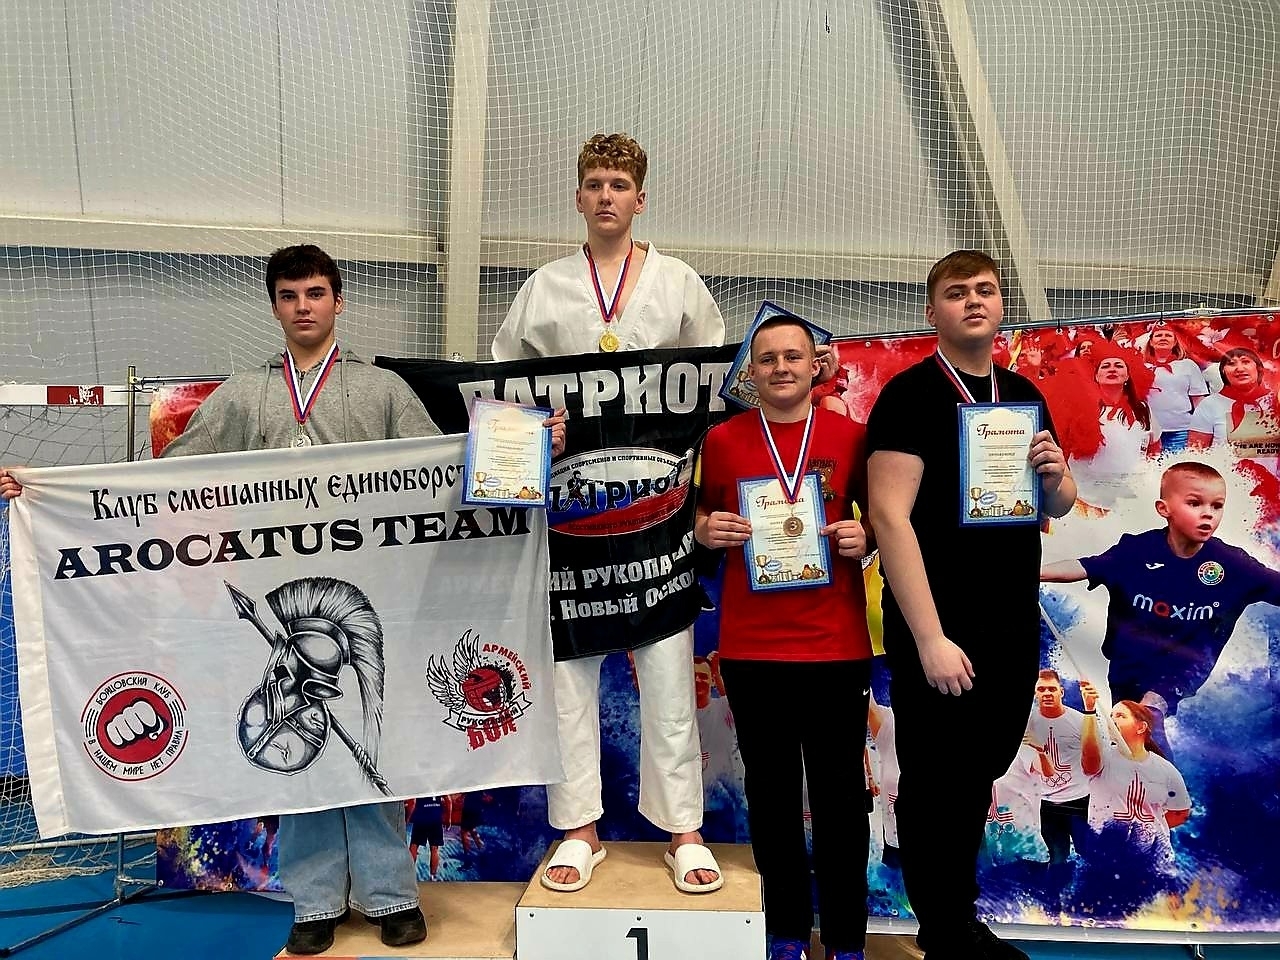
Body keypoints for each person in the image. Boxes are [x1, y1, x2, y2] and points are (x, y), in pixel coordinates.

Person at [492, 133, 726, 894]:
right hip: (571, 522)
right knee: (568, 680)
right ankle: (578, 830)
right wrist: (536, 428)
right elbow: (500, 394)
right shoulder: (544, 288)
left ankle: (683, 830)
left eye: (618, 185)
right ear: (578, 197)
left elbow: (720, 385)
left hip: (658, 521)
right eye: (594, 183)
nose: (605, 196)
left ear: (640, 198)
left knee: (668, 677)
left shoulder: (679, 283)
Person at [866, 250, 1076, 960]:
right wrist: (929, 637)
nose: (974, 301)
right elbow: (889, 518)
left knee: (978, 771)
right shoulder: (910, 396)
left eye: (985, 289)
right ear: (933, 312)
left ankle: (955, 916)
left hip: (1010, 619)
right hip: (942, 622)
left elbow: (1057, 504)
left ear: (1001, 304)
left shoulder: (1020, 394)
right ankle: (944, 931)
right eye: (957, 293)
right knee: (937, 780)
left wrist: (1056, 476)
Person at [695, 315, 873, 960]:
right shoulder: (722, 441)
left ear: (815, 365)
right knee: (770, 797)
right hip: (752, 647)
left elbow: (884, 521)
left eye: (792, 356)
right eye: (767, 358)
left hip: (835, 645)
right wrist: (705, 530)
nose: (780, 368)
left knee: (840, 798)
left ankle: (847, 938)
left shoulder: (853, 437)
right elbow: (700, 514)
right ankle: (787, 930)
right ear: (752, 371)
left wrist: (865, 538)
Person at [1041, 461, 1280, 757]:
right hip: (1128, 664)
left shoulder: (1232, 564)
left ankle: (1164, 774)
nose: (1208, 513)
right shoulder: (1136, 551)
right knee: (1127, 736)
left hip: (1182, 666)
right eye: (1195, 503)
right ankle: (1139, 775)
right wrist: (1036, 572)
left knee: (1149, 711)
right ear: (1164, 509)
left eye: (1217, 506)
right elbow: (1084, 566)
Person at [1079, 683, 1190, 883]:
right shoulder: (1104, 758)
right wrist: (1089, 709)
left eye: (1120, 716)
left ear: (1141, 727)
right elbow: (1089, 762)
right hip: (1104, 861)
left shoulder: (1165, 768)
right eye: (1111, 716)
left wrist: (1151, 825)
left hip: (1152, 863)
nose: (1112, 720)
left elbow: (1180, 813)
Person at [1066, 346, 1160, 511]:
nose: (1112, 369)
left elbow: (1154, 446)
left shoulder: (1142, 409)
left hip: (1130, 499)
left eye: (1118, 365)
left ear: (1127, 376)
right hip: (1086, 498)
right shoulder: (1080, 407)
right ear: (1096, 376)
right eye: (1105, 366)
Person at [1019, 670, 1090, 867]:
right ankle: (1057, 886)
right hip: (1046, 803)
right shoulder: (1027, 724)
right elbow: (1033, 769)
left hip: (1080, 801)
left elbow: (1096, 761)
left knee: (1089, 853)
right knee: (1058, 857)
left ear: (1061, 692)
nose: (1047, 693)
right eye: (1041, 689)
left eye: (1052, 689)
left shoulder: (1080, 721)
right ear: (1035, 693)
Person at [1187, 347, 1280, 474]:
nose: (1239, 368)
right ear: (1223, 371)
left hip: (1272, 483)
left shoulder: (1275, 401)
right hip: (1226, 483)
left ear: (1258, 368)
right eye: (1231, 363)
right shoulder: (1209, 404)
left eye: (1245, 361)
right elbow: (1195, 454)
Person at [1143, 323, 1209, 452]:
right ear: (1151, 342)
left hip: (1182, 430)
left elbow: (1198, 400)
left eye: (1168, 335)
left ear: (1174, 342)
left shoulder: (1187, 365)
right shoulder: (1141, 367)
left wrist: (1202, 429)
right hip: (1150, 432)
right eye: (1159, 335)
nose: (1163, 338)